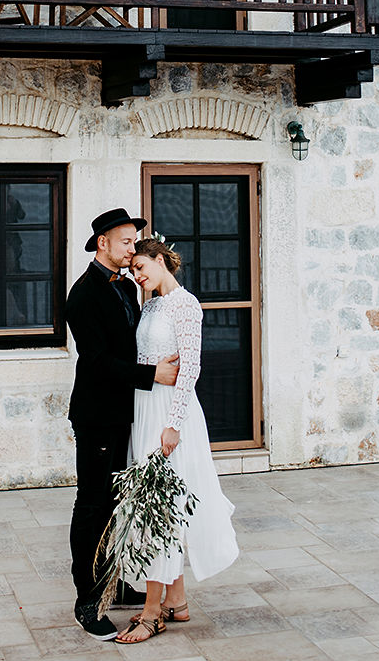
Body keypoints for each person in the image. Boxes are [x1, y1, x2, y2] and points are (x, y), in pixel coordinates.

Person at [115, 237, 239, 645]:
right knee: (156, 503)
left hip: (170, 414)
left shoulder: (186, 305)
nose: (137, 274)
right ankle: (178, 601)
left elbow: (191, 368)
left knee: (158, 509)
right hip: (145, 407)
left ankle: (152, 613)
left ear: (160, 260)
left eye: (141, 266)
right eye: (132, 270)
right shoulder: (149, 305)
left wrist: (174, 424)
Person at [66, 208, 180, 641]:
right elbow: (96, 362)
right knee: (93, 506)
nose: (134, 250)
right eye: (126, 242)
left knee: (119, 505)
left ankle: (116, 581)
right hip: (98, 417)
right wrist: (153, 376)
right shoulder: (84, 295)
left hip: (126, 413)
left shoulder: (125, 286)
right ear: (103, 244)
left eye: (135, 242)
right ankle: (88, 602)